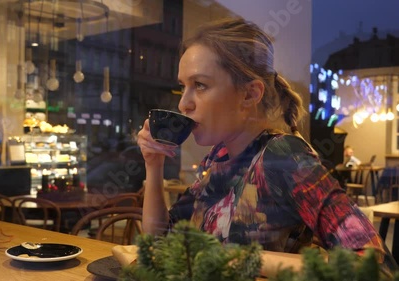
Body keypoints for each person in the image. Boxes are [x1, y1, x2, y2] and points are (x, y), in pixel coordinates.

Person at [137, 17, 395, 275]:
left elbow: (375, 265)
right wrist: (154, 164)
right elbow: (160, 243)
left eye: (200, 85)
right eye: (183, 87)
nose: (184, 104)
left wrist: (244, 259)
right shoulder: (218, 157)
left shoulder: (282, 156)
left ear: (250, 94)